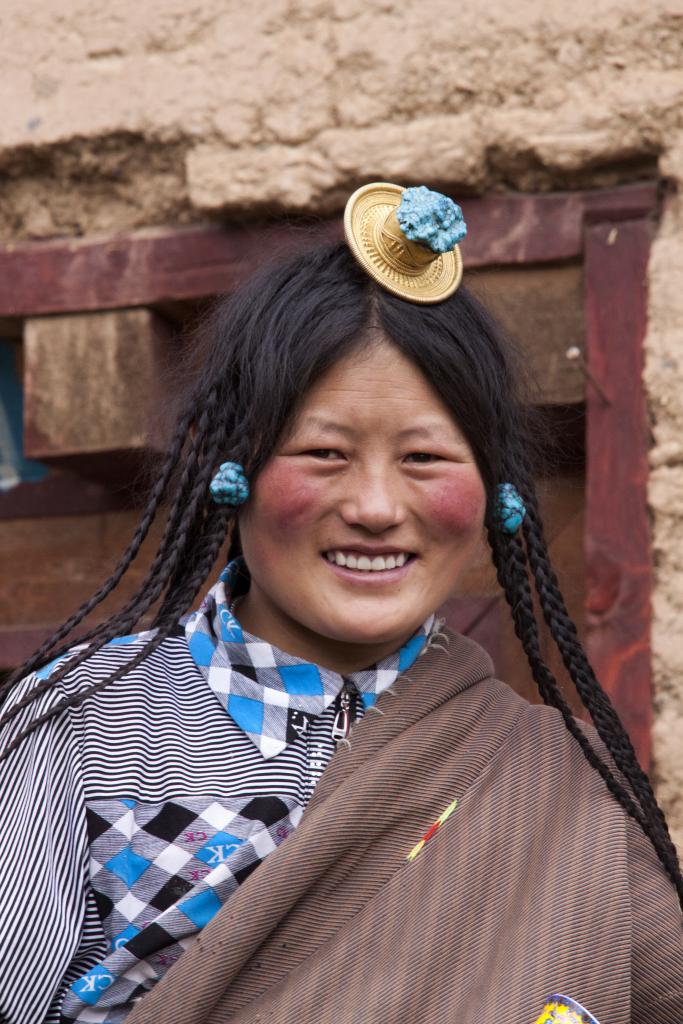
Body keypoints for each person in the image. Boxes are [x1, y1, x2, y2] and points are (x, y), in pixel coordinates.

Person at [1, 182, 681, 1024]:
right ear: (234, 471)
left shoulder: (558, 776)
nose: (373, 505)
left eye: (424, 460)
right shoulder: (83, 727)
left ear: (495, 494)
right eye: (323, 452)